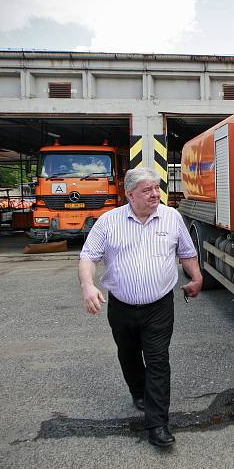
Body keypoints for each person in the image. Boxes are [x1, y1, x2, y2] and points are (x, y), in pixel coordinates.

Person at [78, 167, 203, 447]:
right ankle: (137, 390)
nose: (155, 194)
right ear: (130, 194)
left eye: (156, 188)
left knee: (158, 361)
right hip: (121, 307)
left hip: (159, 306)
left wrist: (196, 277)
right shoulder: (109, 222)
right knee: (129, 355)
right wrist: (88, 286)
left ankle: (158, 425)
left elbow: (186, 251)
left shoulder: (172, 217)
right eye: (147, 190)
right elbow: (88, 256)